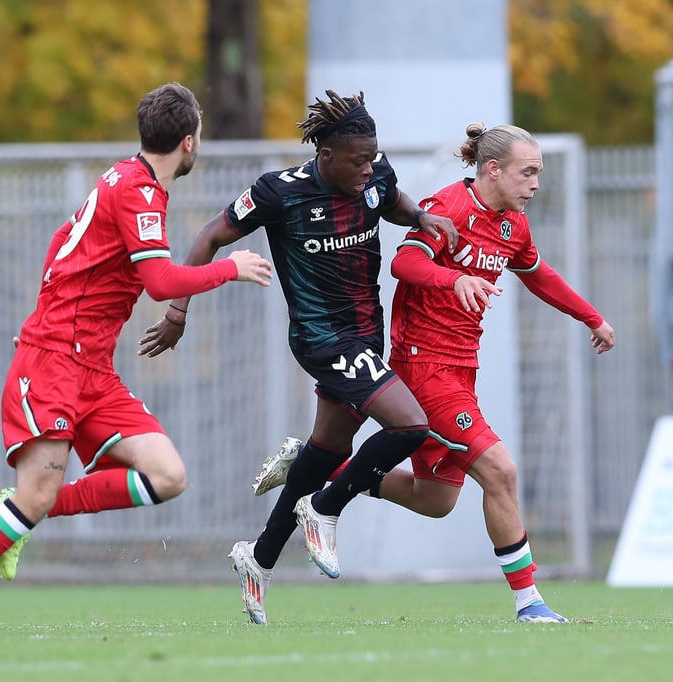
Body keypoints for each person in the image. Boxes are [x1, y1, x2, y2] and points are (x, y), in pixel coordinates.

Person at [0, 82, 273, 636]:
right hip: (55, 361)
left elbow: (61, 243)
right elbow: (159, 282)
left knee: (167, 475)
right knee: (36, 492)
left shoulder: (122, 177)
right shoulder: (139, 192)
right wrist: (231, 267)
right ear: (190, 144)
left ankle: (26, 514)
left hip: (90, 367)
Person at [255, 123, 616, 624]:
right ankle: (529, 603)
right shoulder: (450, 206)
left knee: (436, 499)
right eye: (527, 173)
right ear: (494, 169)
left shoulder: (513, 224)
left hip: (460, 369)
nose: (535, 184)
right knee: (501, 472)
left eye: (538, 174)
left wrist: (591, 316)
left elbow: (539, 275)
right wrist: (456, 278)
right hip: (424, 365)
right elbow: (405, 263)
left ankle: (313, 469)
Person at [138, 90, 458, 625]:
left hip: (366, 337)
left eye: (372, 157)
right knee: (411, 426)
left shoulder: (374, 174)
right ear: (326, 155)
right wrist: (177, 314)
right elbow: (210, 235)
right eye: (357, 160)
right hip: (322, 339)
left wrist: (421, 218)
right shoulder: (279, 192)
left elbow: (392, 198)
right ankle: (326, 508)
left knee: (326, 450)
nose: (367, 168)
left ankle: (258, 560)